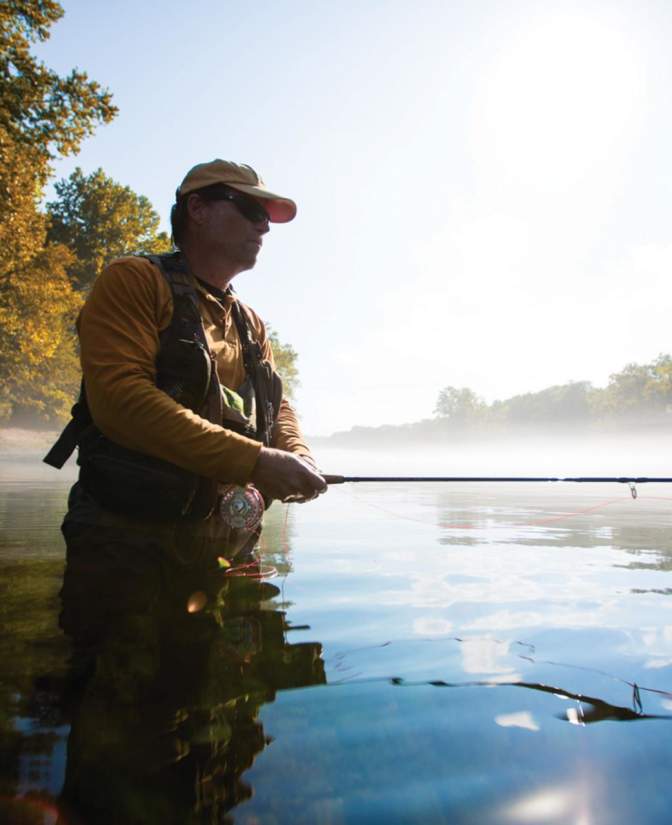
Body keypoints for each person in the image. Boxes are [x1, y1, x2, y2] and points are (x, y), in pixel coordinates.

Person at [46, 159, 327, 657]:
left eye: (267, 216)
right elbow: (122, 403)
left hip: (226, 542)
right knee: (120, 710)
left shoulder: (250, 322)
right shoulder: (133, 281)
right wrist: (257, 462)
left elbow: (277, 406)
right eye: (250, 208)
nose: (263, 226)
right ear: (197, 209)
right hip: (127, 541)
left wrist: (298, 457)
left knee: (225, 699)